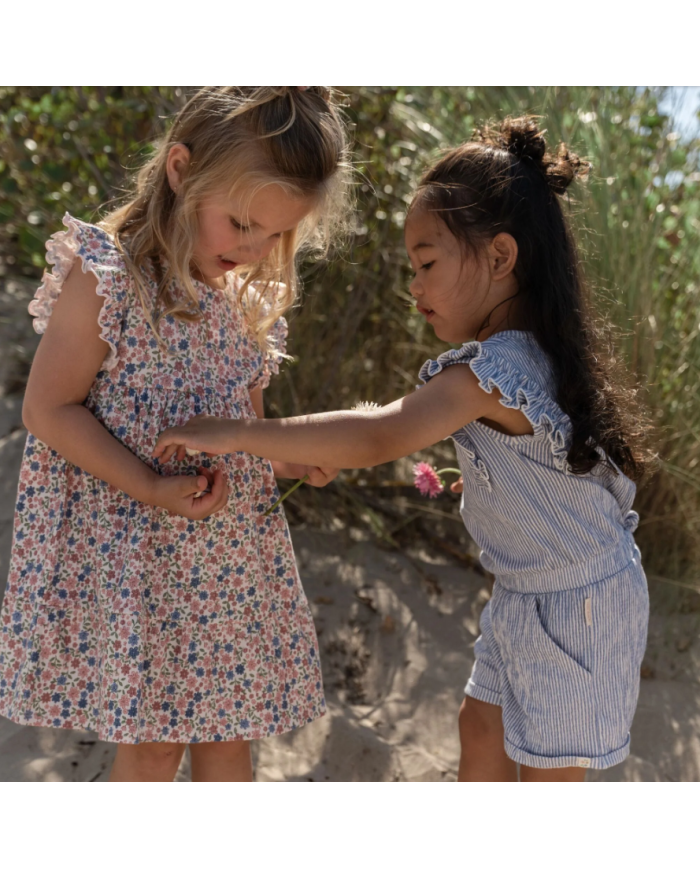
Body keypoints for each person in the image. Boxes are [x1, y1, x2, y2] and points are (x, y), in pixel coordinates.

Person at [153, 117, 652, 782]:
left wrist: (237, 431)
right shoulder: (518, 358)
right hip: (525, 593)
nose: (414, 285)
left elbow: (381, 433)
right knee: (481, 725)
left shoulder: (493, 371)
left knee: (548, 770)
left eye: (427, 264)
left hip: (579, 605)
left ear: (500, 257)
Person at [0, 86, 349, 782]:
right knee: (155, 744)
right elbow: (48, 409)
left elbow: (247, 435)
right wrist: (150, 485)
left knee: (230, 740)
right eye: (241, 222)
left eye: (275, 235)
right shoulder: (109, 278)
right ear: (182, 170)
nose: (254, 248)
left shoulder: (245, 305)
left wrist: (294, 460)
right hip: (137, 560)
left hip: (226, 570)